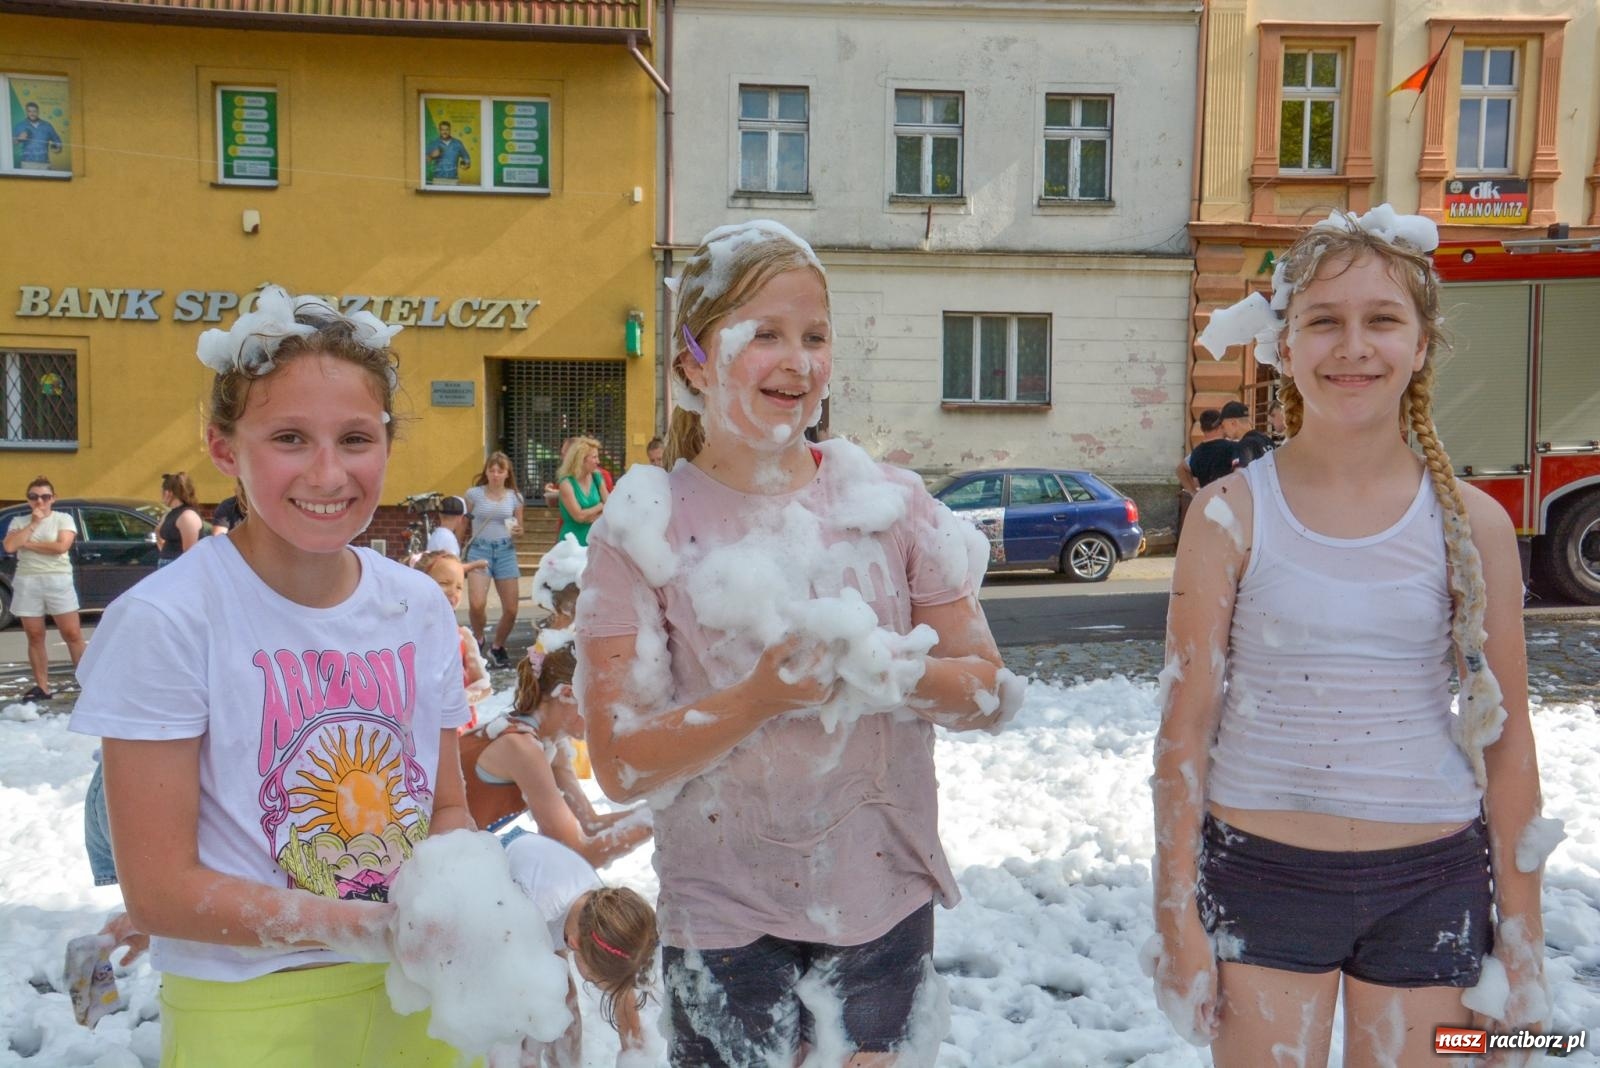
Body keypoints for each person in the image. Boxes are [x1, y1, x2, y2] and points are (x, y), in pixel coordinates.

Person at [577, 219, 1011, 1066]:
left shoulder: (886, 503)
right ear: (695, 360)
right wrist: (758, 700)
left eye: (814, 336)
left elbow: (991, 692)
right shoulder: (641, 531)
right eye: (765, 334)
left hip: (881, 899)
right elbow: (619, 763)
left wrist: (887, 674)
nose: (799, 360)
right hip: (725, 920)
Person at [1155, 207, 1547, 1064]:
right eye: (1323, 321)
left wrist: (1521, 951)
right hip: (1261, 879)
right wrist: (1175, 917)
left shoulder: (1472, 523)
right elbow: (1183, 731)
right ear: (1284, 346)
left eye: (1382, 320)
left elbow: (1509, 742)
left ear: (1421, 343)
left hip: (1434, 885)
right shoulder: (1229, 513)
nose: (1353, 346)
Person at [68, 286, 474, 1066]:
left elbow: (447, 806)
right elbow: (157, 890)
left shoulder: (419, 606)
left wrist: (477, 904)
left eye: (356, 438)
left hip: (424, 997)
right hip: (251, 1009)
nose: (329, 472)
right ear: (225, 449)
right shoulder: (172, 618)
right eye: (290, 437)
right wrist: (368, 925)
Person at [460, 638, 649, 867]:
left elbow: (591, 824)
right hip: (430, 865)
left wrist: (660, 807)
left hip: (454, 856)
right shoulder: (521, 747)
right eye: (606, 703)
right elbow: (579, 853)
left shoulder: (549, 743)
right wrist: (656, 819)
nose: (613, 716)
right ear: (568, 693)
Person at [503, 834, 657, 1065]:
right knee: (530, 1010)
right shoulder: (533, 912)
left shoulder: (605, 913)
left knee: (564, 1000)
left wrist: (635, 1056)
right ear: (574, 944)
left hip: (537, 866)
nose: (599, 987)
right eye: (596, 981)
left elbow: (622, 993)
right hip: (492, 863)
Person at [3, 476, 86, 701]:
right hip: (27, 581)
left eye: (45, 496)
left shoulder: (63, 518)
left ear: (53, 498)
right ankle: (42, 686)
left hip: (57, 580)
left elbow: (61, 547)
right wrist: (34, 524)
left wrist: (27, 543)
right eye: (34, 497)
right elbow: (10, 545)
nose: (40, 501)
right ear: (28, 500)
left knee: (72, 633)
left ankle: (87, 684)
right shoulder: (19, 521)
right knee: (35, 635)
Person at [415, 549, 493, 732]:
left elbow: (484, 686)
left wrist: (461, 698)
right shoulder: (406, 633)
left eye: (459, 587)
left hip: (455, 729)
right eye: (444, 583)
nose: (453, 592)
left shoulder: (462, 636)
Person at [465, 451, 524, 668]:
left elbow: (520, 528)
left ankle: (498, 646)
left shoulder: (515, 497)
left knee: (511, 608)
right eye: (492, 470)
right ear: (486, 472)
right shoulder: (474, 494)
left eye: (500, 470)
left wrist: (518, 530)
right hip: (479, 549)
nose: (496, 474)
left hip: (505, 550)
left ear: (507, 474)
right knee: (477, 603)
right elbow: (465, 521)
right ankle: (479, 638)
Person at [555, 436, 607, 548]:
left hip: (594, 541)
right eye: (594, 457)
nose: (598, 461)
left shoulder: (597, 477)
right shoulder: (566, 483)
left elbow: (610, 507)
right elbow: (578, 516)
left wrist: (590, 516)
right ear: (581, 459)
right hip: (571, 543)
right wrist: (600, 506)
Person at [1175, 409, 1238, 494]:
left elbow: (1180, 469)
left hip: (1208, 501)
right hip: (1229, 500)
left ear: (1202, 429)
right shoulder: (1233, 447)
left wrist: (1193, 493)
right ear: (1221, 426)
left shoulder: (1196, 453)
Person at [425, 495, 486, 573]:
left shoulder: (436, 534)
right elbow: (453, 568)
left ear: (440, 515)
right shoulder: (448, 538)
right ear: (461, 518)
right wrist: (476, 564)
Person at [156, 471, 205, 565]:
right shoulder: (170, 514)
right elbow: (159, 534)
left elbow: (190, 553)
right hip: (167, 565)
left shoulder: (187, 516)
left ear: (168, 493)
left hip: (178, 566)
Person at [1220, 399, 1274, 466]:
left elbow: (1239, 475)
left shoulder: (1243, 446)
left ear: (1233, 423)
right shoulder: (1267, 440)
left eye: (1223, 426)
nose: (1224, 431)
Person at [13, 101, 63, 170]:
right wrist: (19, 139)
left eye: (34, 111)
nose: (32, 114)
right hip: (27, 163)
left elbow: (57, 140)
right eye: (29, 111)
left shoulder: (47, 125)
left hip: (44, 163)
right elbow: (10, 143)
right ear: (26, 112)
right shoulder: (20, 126)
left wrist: (56, 147)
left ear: (38, 112)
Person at [425, 119, 470, 184]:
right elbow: (423, 162)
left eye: (447, 129)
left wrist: (465, 164)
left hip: (453, 180)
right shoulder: (433, 144)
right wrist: (431, 156)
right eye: (442, 130)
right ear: (439, 130)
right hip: (438, 179)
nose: (445, 132)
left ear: (450, 130)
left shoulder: (457, 143)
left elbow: (467, 160)